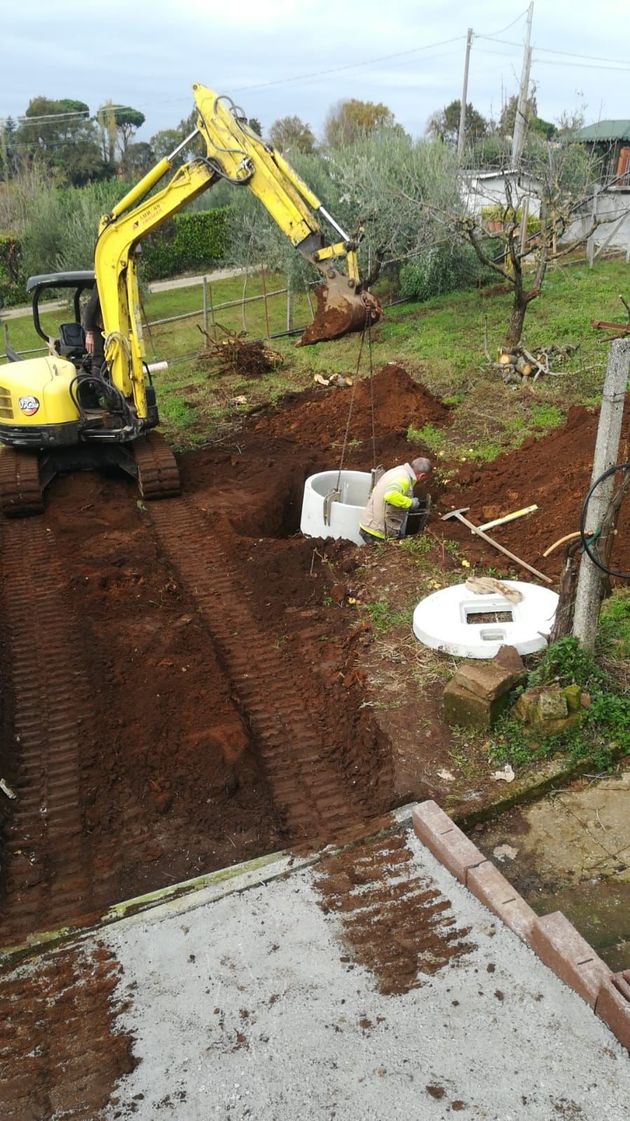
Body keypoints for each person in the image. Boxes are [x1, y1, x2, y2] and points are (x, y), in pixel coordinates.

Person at [359, 456, 432, 544]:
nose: (423, 482)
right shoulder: (404, 479)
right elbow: (390, 495)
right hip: (377, 530)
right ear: (422, 475)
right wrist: (410, 503)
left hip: (370, 523)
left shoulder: (398, 471)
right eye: (424, 480)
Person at [82, 286, 105, 373]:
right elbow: (91, 307)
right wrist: (89, 333)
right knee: (99, 362)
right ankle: (97, 377)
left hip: (113, 329)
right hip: (98, 329)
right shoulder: (102, 283)